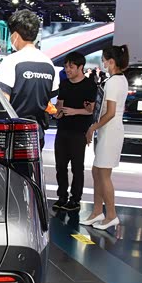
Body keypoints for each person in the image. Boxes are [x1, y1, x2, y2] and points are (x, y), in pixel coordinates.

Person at [80, 44, 130, 232]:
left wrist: (92, 127)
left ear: (111, 61)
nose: (102, 63)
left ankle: (111, 215)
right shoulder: (118, 80)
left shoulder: (114, 82)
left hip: (110, 131)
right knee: (97, 172)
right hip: (109, 131)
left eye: (104, 60)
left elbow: (110, 113)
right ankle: (97, 212)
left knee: (103, 174)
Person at [0, 9, 59, 148]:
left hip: (14, 134)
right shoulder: (49, 63)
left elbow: (3, 102)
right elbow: (49, 99)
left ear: (15, 35)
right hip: (37, 134)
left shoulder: (11, 61)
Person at [53, 52, 96, 212]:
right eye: (66, 66)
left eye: (71, 66)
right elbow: (59, 104)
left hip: (79, 131)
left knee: (77, 167)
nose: (67, 69)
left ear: (80, 67)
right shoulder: (64, 84)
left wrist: (74, 111)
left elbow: (91, 110)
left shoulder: (89, 85)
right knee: (60, 166)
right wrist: (57, 113)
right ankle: (61, 197)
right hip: (62, 129)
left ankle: (75, 199)